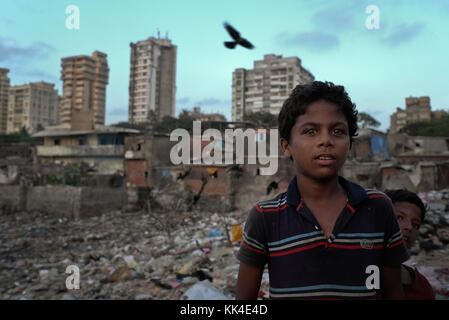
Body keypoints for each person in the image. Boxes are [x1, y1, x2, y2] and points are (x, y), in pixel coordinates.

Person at [236, 81, 409, 300]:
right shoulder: (266, 217)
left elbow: (393, 292)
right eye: (310, 131)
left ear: (349, 143)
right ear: (286, 146)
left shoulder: (377, 207)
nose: (326, 140)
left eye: (337, 131)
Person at [385, 189, 435, 300]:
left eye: (415, 224)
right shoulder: (353, 274)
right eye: (399, 217)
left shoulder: (421, 287)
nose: (409, 227)